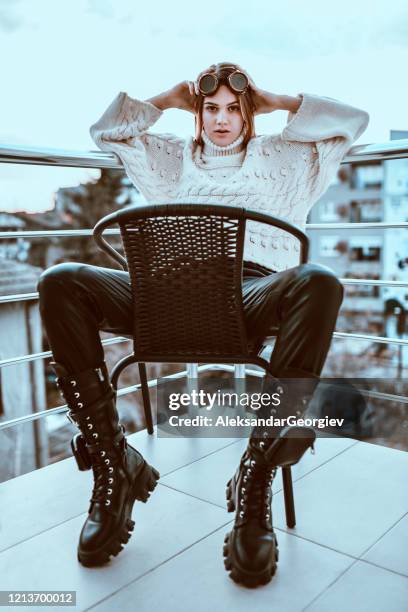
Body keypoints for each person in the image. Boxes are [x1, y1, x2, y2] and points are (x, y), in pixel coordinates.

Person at [37, 62, 369, 584]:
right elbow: (106, 131)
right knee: (61, 280)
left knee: (319, 281)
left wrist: (277, 100)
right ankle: (112, 464)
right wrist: (168, 98)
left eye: (234, 109)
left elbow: (353, 120)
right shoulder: (169, 158)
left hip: (251, 292)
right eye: (210, 109)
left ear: (248, 113)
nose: (221, 120)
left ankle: (255, 477)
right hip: (165, 290)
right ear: (198, 115)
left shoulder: (286, 159)